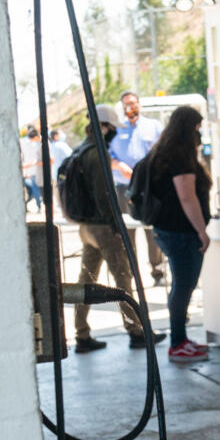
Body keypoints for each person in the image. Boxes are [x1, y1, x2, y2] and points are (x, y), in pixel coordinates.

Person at [69, 105, 167, 353]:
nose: (113, 133)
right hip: (103, 227)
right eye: (111, 128)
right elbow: (105, 195)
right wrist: (115, 225)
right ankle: (136, 331)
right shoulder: (97, 153)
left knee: (86, 280)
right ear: (103, 127)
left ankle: (81, 334)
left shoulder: (81, 150)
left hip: (86, 226)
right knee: (123, 278)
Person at [145, 106, 211, 363]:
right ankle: (177, 343)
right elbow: (187, 196)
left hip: (167, 230)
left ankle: (180, 339)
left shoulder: (162, 152)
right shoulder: (179, 156)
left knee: (181, 286)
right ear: (189, 128)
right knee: (183, 286)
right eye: (196, 127)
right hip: (181, 232)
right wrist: (201, 231)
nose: (199, 133)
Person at [110, 90, 167, 284]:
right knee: (128, 231)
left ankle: (157, 269)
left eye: (133, 103)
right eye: (126, 104)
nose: (130, 107)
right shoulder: (116, 129)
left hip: (149, 187)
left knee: (151, 228)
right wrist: (119, 165)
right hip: (124, 187)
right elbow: (107, 155)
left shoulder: (154, 126)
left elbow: (164, 151)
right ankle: (132, 272)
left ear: (139, 104)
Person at [20, 126, 45, 213]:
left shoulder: (23, 142)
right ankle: (42, 205)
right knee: (39, 188)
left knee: (35, 188)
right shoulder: (37, 142)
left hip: (29, 167)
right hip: (37, 167)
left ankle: (39, 206)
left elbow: (22, 156)